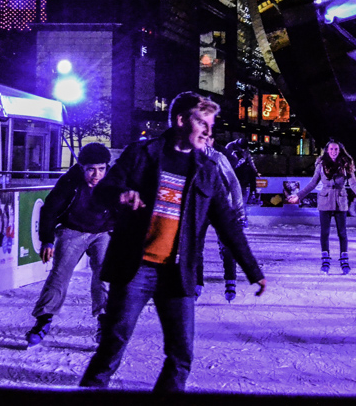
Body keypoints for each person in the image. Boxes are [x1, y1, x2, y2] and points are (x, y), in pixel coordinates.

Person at [79, 92, 266, 393]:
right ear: (181, 120)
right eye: (202, 123)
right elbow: (103, 191)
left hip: (177, 273)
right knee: (113, 345)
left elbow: (228, 223)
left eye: (211, 124)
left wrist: (253, 270)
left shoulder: (207, 171)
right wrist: (121, 195)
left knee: (181, 356)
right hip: (135, 268)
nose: (208, 131)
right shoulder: (141, 154)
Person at [26, 142, 115, 347]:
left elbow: (123, 207)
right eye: (91, 169)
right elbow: (48, 210)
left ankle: (104, 322)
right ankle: (44, 319)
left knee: (104, 274)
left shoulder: (113, 180)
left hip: (102, 231)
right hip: (72, 230)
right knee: (60, 274)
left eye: (101, 169)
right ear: (81, 167)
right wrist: (47, 240)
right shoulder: (69, 182)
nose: (96, 175)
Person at [287, 139, 356, 274]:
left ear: (340, 150)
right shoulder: (321, 165)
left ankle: (344, 260)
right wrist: (299, 196)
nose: (333, 152)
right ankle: (325, 260)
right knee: (324, 233)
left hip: (340, 201)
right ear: (327, 150)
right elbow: (313, 183)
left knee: (342, 233)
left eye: (336, 149)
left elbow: (354, 184)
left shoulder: (346, 164)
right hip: (325, 201)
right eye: (331, 149)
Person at [196, 136, 246, 302]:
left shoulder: (219, 157)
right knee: (195, 245)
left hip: (221, 207)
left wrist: (239, 211)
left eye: (206, 139)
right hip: (200, 208)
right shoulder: (188, 156)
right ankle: (197, 282)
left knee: (226, 245)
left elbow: (233, 182)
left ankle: (230, 280)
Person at [224, 138, 259, 205]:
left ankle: (251, 195)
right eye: (241, 149)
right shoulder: (230, 146)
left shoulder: (245, 150)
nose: (243, 150)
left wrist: (255, 171)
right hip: (232, 172)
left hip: (242, 176)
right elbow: (225, 160)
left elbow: (250, 160)